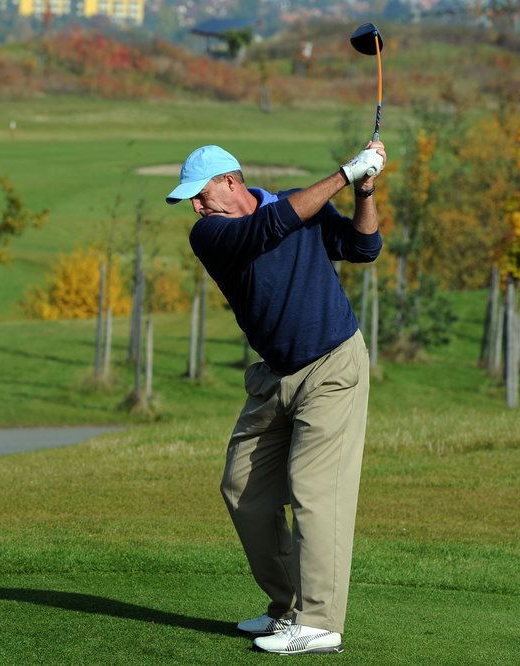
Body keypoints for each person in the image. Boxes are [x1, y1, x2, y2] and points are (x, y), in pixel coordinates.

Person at [166, 142, 386, 655]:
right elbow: (269, 227)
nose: (195, 207)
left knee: (315, 489)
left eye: (198, 195)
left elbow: (363, 248)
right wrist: (345, 173)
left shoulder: (298, 207)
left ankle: (321, 622)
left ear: (230, 181)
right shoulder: (212, 234)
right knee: (242, 486)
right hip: (275, 377)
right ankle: (286, 608)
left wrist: (366, 190)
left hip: (333, 365)